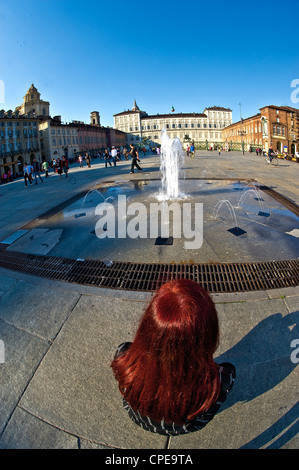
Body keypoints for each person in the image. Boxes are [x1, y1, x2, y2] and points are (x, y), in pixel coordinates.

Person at [111, 279, 236, 436]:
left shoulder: (124, 357)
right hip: (186, 426)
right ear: (208, 335)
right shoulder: (220, 381)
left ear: (148, 327)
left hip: (139, 418)